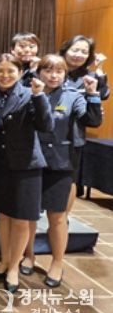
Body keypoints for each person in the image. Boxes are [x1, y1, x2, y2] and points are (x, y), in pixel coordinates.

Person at [21, 54, 102, 287]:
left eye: (59, 71)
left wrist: (93, 94)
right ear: (39, 72)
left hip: (60, 163)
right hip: (31, 161)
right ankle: (28, 255)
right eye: (48, 70)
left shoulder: (73, 96)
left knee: (57, 216)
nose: (53, 76)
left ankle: (57, 262)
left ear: (65, 74)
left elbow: (92, 120)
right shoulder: (28, 93)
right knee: (28, 215)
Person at [0, 54, 54, 294]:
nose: (5, 75)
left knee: (21, 219)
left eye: (10, 71)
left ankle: (14, 266)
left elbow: (46, 125)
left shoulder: (29, 94)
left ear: (20, 72)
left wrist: (39, 95)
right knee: (3, 216)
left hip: (26, 166)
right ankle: (4, 260)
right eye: (0, 71)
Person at [58, 35, 110, 210]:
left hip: (73, 135)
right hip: (48, 133)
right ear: (65, 50)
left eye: (84, 52)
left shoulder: (90, 76)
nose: (78, 54)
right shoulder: (54, 69)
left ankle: (63, 217)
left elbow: (104, 94)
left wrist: (100, 69)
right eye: (75, 50)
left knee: (69, 179)